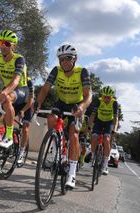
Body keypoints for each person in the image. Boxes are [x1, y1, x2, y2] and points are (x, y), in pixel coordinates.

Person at [36, 44, 92, 188]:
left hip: (77, 105)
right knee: (51, 118)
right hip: (61, 102)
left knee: (73, 134)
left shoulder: (82, 72)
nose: (65, 62)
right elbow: (45, 89)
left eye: (69, 58)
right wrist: (38, 104)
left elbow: (88, 96)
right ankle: (56, 151)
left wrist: (81, 107)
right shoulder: (56, 70)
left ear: (75, 59)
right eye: (62, 59)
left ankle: (72, 173)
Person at [89, 86, 119, 175]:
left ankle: (105, 164)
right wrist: (89, 126)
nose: (106, 99)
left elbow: (116, 118)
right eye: (104, 96)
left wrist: (114, 129)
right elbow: (93, 115)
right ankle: (93, 156)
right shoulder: (98, 101)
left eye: (108, 97)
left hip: (109, 122)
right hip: (99, 121)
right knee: (94, 137)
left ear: (112, 97)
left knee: (106, 138)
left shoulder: (114, 103)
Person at [16, 77, 34, 165]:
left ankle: (22, 151)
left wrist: (23, 110)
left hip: (28, 105)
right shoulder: (15, 77)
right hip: (18, 102)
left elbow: (31, 100)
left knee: (25, 128)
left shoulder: (29, 81)